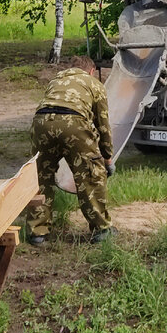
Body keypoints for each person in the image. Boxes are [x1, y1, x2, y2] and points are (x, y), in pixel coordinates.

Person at [28, 56, 115, 244]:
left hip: (41, 123)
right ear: (91, 71)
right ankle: (101, 229)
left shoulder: (56, 80)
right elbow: (103, 125)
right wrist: (107, 158)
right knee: (90, 176)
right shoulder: (94, 83)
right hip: (73, 124)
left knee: (40, 178)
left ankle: (38, 232)